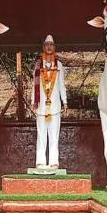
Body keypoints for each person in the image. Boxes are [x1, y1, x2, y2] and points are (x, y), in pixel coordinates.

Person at [31, 35, 68, 169]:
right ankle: (40, 162)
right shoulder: (37, 65)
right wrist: (32, 102)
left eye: (51, 44)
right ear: (43, 47)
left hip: (55, 106)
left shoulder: (59, 65)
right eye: (46, 44)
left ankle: (53, 162)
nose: (49, 47)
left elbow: (62, 84)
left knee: (54, 135)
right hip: (40, 106)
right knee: (41, 135)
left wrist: (65, 101)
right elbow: (33, 85)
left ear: (54, 47)